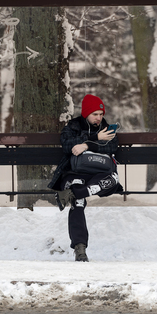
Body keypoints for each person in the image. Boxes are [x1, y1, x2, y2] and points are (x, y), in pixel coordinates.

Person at [48, 94, 123, 262]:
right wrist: (95, 138)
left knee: (113, 180)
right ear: (86, 113)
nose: (99, 118)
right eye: (95, 114)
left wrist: (86, 145)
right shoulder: (73, 126)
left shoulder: (106, 129)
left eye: (101, 114)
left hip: (98, 176)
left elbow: (111, 146)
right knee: (78, 202)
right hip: (74, 174)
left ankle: (77, 192)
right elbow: (68, 145)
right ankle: (80, 249)